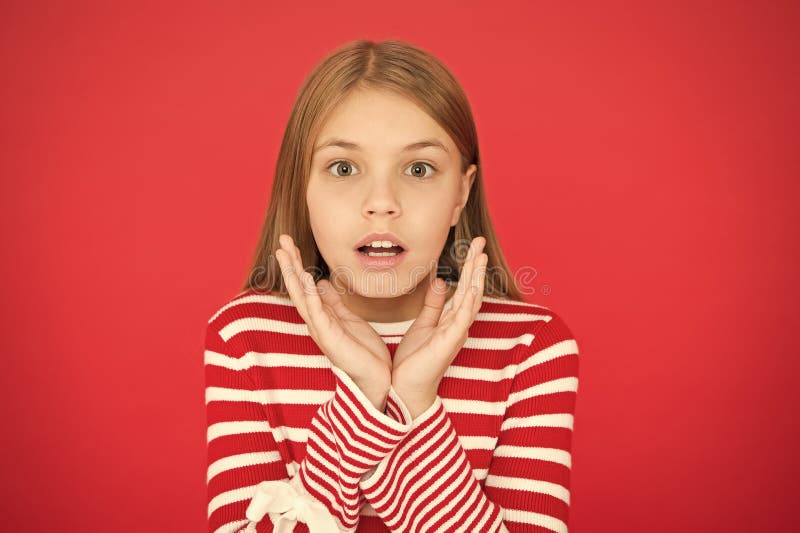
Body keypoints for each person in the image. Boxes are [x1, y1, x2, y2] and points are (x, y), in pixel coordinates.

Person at [204, 39, 580, 533]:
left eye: (418, 169)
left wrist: (416, 399)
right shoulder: (244, 339)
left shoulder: (531, 348)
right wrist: (362, 395)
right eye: (343, 168)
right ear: (303, 187)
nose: (381, 203)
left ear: (461, 194)